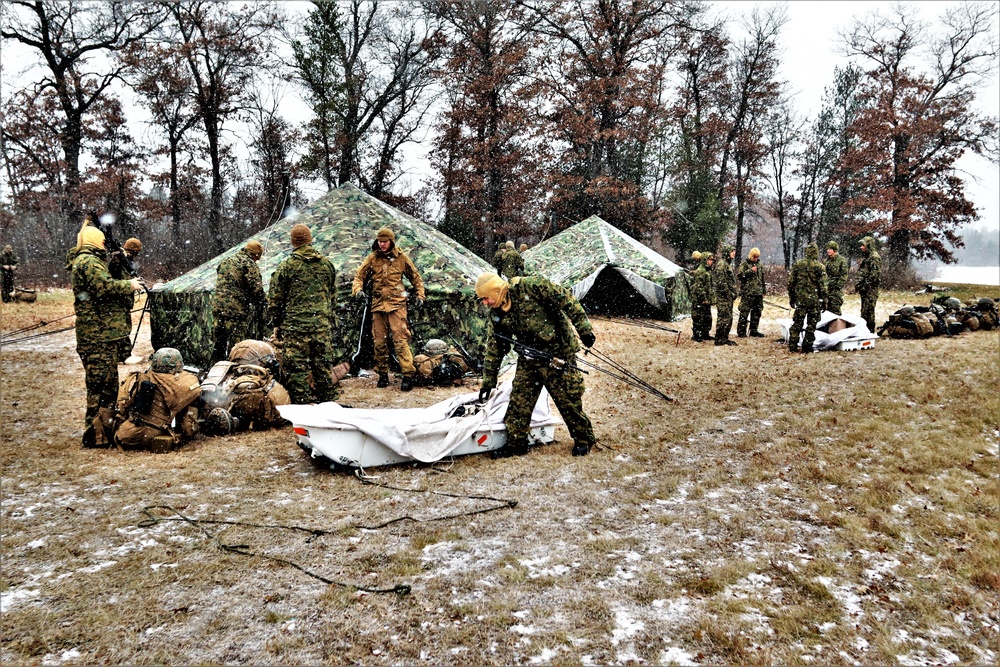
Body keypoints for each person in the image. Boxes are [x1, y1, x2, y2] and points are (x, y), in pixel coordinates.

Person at [476, 272, 597, 458]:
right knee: (519, 401)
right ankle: (516, 443)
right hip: (529, 357)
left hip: (557, 353)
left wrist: (584, 330)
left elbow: (566, 300)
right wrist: (488, 381)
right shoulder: (497, 314)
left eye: (485, 298)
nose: (485, 303)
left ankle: (583, 438)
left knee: (567, 399)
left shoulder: (531, 287)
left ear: (495, 290)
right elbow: (495, 347)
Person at [70, 224, 144, 447]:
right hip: (97, 336)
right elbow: (103, 286)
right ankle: (94, 435)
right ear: (96, 242)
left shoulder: (86, 260)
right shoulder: (89, 262)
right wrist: (129, 285)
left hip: (100, 334)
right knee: (100, 386)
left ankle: (102, 433)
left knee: (106, 385)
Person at [267, 224, 338, 404]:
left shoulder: (286, 267)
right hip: (321, 325)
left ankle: (302, 405)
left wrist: (277, 323)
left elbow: (275, 300)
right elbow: (332, 296)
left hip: (295, 327)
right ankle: (328, 403)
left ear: (293, 242)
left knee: (297, 368)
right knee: (322, 366)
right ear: (310, 239)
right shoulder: (326, 265)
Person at [351, 227, 425, 392]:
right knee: (379, 342)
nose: (382, 244)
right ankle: (383, 374)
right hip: (378, 305)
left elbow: (416, 277)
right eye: (380, 241)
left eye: (385, 241)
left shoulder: (401, 259)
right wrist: (358, 290)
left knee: (400, 340)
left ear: (391, 241)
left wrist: (420, 295)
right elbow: (359, 276)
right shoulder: (372, 259)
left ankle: (407, 375)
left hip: (397, 305)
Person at [115, 347, 202, 451]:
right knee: (191, 407)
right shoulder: (182, 383)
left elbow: (125, 404)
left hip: (127, 434)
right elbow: (191, 397)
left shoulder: (141, 378)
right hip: (155, 433)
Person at [211, 240, 266, 364]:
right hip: (235, 311)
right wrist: (263, 303)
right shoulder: (249, 264)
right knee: (237, 348)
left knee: (218, 344)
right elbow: (256, 289)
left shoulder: (226, 260)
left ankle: (216, 368)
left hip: (218, 309)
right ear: (255, 255)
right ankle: (235, 371)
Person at [787, 242, 828, 353]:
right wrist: (824, 300)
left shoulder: (798, 265)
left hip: (801, 299)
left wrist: (792, 298)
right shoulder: (819, 267)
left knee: (797, 322)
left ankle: (793, 344)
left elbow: (791, 283)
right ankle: (807, 346)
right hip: (814, 300)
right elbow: (823, 286)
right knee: (812, 324)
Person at [106, 236, 143, 353]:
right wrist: (130, 284)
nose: (135, 256)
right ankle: (124, 354)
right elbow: (116, 279)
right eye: (135, 253)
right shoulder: (118, 261)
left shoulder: (125, 261)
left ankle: (124, 353)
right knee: (122, 328)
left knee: (125, 327)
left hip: (123, 300)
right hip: (118, 300)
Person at [736, 247, 765, 337]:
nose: (756, 258)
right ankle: (741, 331)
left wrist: (763, 291)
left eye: (757, 257)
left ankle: (753, 330)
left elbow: (762, 279)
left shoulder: (760, 265)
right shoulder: (744, 264)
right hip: (747, 293)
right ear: (751, 256)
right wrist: (750, 271)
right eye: (754, 256)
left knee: (757, 312)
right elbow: (740, 276)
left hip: (758, 293)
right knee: (744, 312)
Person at [856, 236, 882, 333]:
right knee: (864, 310)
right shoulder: (867, 257)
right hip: (865, 289)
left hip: (870, 289)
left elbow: (874, 275)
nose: (861, 247)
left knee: (869, 311)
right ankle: (864, 330)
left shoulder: (874, 257)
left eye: (863, 245)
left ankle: (869, 331)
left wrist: (865, 285)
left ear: (868, 245)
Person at [713, 245, 737, 346]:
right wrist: (729, 294)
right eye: (732, 251)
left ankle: (724, 338)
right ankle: (720, 339)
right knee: (723, 317)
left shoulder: (727, 264)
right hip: (723, 297)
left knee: (728, 318)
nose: (734, 253)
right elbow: (721, 283)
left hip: (727, 297)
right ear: (727, 252)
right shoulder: (721, 265)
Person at [690, 252, 714, 342]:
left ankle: (705, 334)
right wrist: (703, 298)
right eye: (709, 260)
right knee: (698, 317)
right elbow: (699, 287)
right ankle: (697, 335)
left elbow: (709, 286)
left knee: (707, 318)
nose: (711, 262)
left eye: (712, 260)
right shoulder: (701, 271)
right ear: (705, 260)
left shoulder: (707, 271)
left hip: (706, 299)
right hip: (699, 300)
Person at [823, 241, 848, 316]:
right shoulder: (827, 261)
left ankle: (838, 326)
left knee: (835, 308)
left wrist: (838, 286)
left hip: (835, 289)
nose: (828, 251)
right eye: (827, 249)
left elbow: (844, 274)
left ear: (834, 250)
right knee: (826, 309)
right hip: (827, 288)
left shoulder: (841, 260)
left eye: (830, 249)